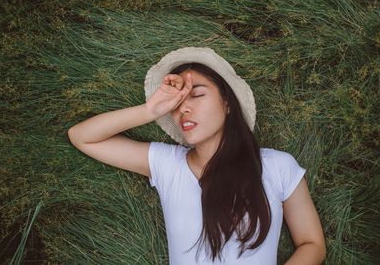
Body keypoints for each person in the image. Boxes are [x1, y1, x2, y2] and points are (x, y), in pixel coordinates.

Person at [68, 47, 326, 265]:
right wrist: (150, 110)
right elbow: (82, 136)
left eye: (197, 95)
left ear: (227, 103)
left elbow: (312, 243)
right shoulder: (168, 165)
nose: (184, 109)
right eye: (177, 105)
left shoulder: (277, 166)